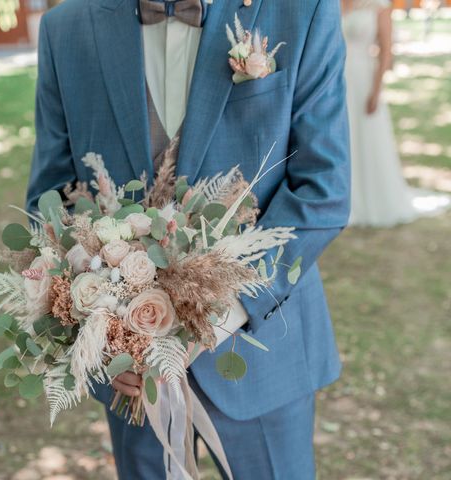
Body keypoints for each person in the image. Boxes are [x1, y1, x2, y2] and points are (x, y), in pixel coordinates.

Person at [27, 0, 350, 478]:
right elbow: (52, 197)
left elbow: (321, 189)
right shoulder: (66, 29)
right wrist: (107, 327)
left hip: (259, 349)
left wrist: (212, 318)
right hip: (130, 370)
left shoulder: (300, 11)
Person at [342, 0, 450, 227]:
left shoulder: (379, 6)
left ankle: (367, 199)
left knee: (366, 140)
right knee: (343, 140)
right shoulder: (337, 3)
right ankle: (342, 198)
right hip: (337, 81)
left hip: (363, 81)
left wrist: (376, 90)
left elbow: (386, 51)